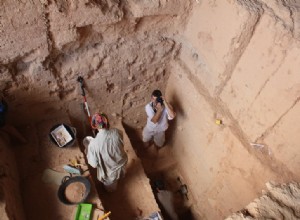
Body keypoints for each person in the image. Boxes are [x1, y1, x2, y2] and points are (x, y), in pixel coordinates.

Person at [83, 113, 128, 192]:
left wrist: (88, 150)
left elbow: (93, 164)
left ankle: (111, 191)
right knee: (119, 177)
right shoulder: (117, 132)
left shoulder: (93, 145)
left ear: (95, 126)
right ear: (107, 123)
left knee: (111, 186)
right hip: (122, 165)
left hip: (110, 173)